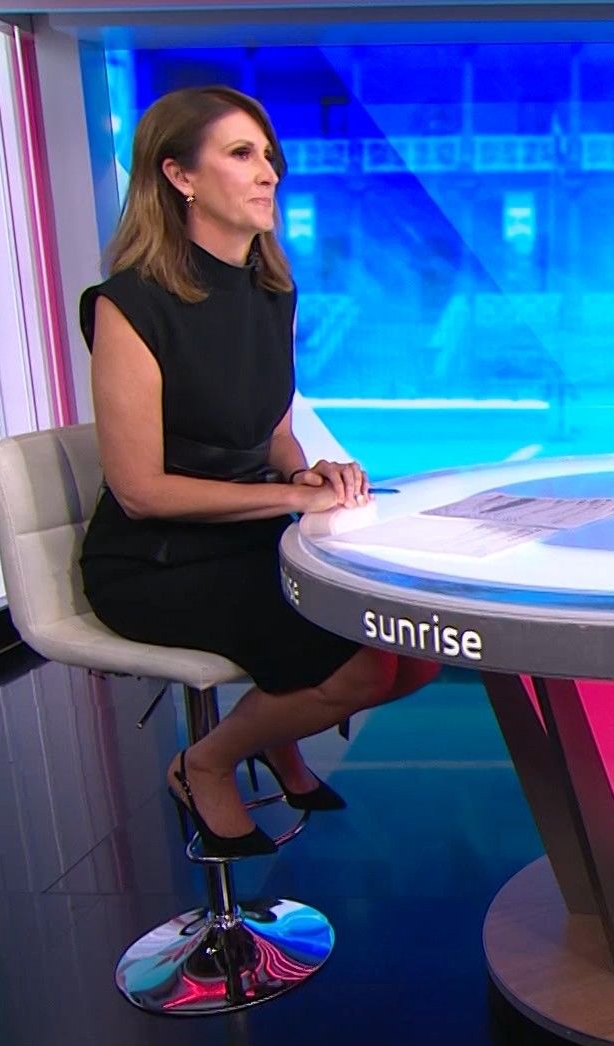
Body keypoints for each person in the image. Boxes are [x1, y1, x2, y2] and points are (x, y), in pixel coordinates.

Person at [78, 86, 440, 858]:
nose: (268, 171)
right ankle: (205, 764)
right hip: (157, 561)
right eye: (241, 154)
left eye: (268, 155)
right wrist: (284, 498)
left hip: (248, 537)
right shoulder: (129, 304)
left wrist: (309, 476)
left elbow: (272, 431)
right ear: (179, 175)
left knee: (417, 652)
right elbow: (140, 492)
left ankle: (279, 734)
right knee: (367, 669)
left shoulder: (270, 290)